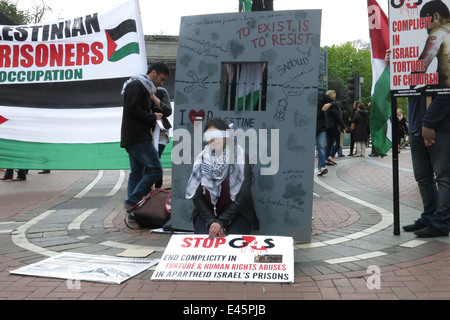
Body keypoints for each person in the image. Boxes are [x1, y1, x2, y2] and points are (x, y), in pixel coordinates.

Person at [185, 118, 259, 238]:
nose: (212, 139)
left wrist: (222, 221)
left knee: (232, 243)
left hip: (237, 214)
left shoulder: (240, 157)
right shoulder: (201, 159)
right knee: (204, 242)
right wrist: (212, 221)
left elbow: (243, 195)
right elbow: (196, 195)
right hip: (207, 214)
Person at [120, 62, 171, 218]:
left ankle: (132, 211)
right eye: (162, 79)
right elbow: (132, 109)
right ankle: (132, 201)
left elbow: (135, 109)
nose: (162, 83)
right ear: (153, 73)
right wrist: (152, 117)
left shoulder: (143, 87)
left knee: (137, 173)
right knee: (155, 169)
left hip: (134, 136)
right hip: (139, 136)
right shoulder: (137, 85)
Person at [151, 87, 172, 189]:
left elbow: (168, 111)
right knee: (149, 160)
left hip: (161, 131)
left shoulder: (161, 91)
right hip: (145, 130)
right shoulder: (140, 90)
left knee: (155, 158)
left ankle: (157, 188)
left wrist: (154, 98)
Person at [323, 90, 347, 166]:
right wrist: (344, 126)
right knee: (340, 141)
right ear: (333, 96)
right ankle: (331, 156)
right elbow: (337, 117)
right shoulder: (333, 105)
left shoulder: (325, 105)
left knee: (329, 143)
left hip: (327, 127)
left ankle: (327, 159)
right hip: (333, 126)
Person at [316, 93, 329, 176]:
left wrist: (329, 104)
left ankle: (321, 167)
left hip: (320, 127)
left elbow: (334, 102)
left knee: (321, 147)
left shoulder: (321, 95)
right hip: (309, 127)